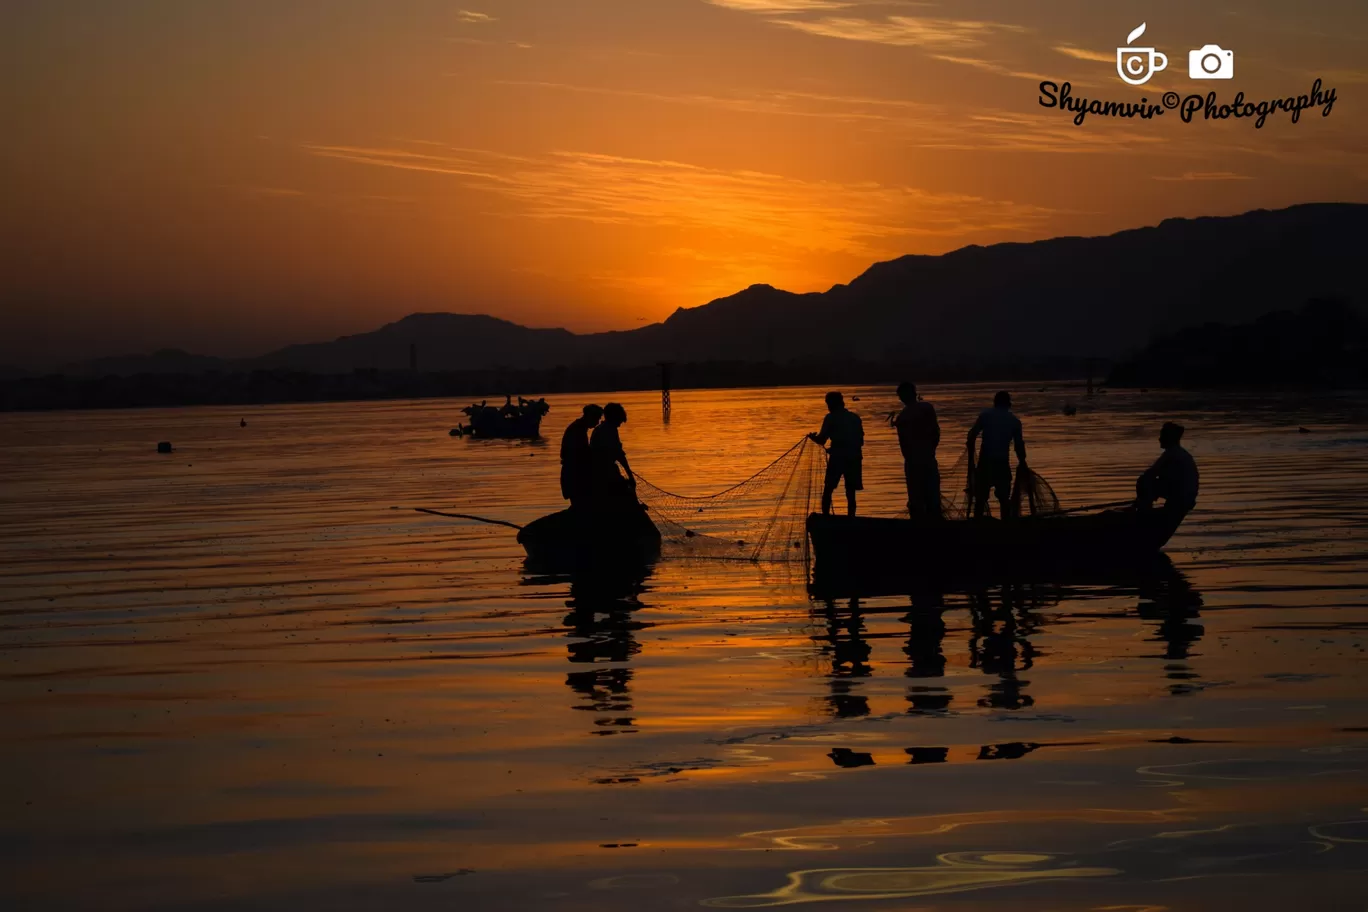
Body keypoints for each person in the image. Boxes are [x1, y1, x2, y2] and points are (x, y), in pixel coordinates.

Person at [967, 390, 1026, 519]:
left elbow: (971, 436)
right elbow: (1019, 446)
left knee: (981, 498)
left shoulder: (985, 415)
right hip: (1002, 463)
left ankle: (977, 524)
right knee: (1004, 499)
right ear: (1009, 404)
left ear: (994, 403)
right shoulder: (1014, 421)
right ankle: (1005, 526)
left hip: (985, 462)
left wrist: (971, 456)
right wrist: (1023, 461)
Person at [809, 391, 864, 516]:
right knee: (850, 492)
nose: (828, 406)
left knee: (828, 489)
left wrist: (812, 438)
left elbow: (822, 440)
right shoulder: (855, 418)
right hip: (854, 457)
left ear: (831, 404)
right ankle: (851, 518)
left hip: (838, 458)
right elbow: (860, 441)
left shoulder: (831, 417)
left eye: (828, 403)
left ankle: (826, 518)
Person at [892, 382, 941, 518]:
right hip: (925, 458)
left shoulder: (904, 416)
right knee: (930, 495)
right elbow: (935, 432)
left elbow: (904, 442)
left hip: (915, 460)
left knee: (917, 496)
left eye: (901, 395)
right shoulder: (925, 408)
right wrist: (930, 450)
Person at [1136, 422, 1199, 517]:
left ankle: (1143, 513)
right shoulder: (1181, 453)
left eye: (1162, 436)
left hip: (1181, 496)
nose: (1159, 439)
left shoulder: (1171, 455)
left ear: (1169, 438)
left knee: (1143, 481)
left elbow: (1149, 474)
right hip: (1188, 497)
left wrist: (1142, 498)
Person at [590, 402, 637, 509]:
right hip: (603, 471)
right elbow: (619, 454)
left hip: (600, 470)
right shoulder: (608, 430)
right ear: (614, 418)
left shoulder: (600, 428)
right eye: (619, 420)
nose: (620, 424)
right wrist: (630, 475)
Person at [559, 404, 603, 509]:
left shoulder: (579, 428)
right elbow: (580, 454)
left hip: (573, 473)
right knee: (581, 504)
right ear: (589, 417)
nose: (597, 422)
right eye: (596, 419)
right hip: (574, 474)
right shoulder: (577, 429)